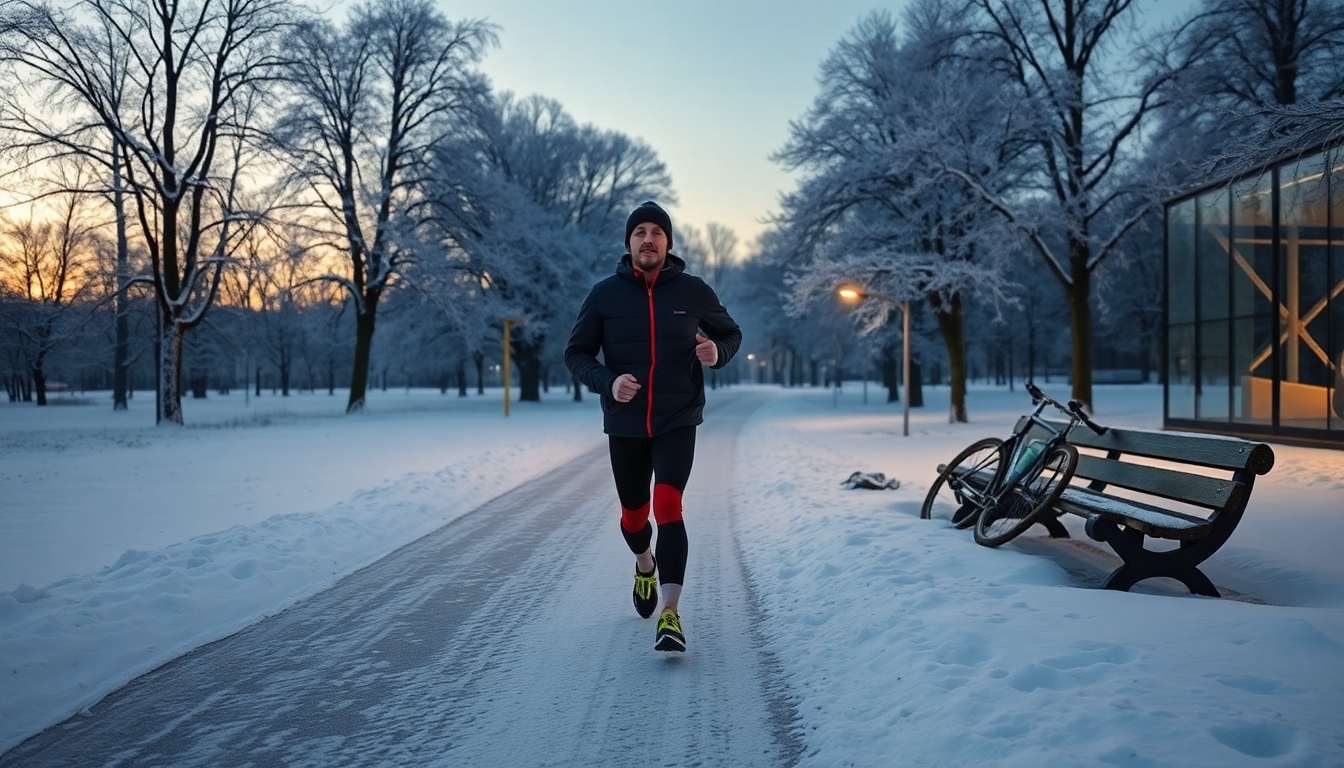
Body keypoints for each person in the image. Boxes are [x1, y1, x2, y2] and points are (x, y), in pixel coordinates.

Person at [565, 200, 742, 653]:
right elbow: (577, 353)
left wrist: (717, 353)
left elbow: (731, 334)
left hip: (677, 417)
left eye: (657, 232)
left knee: (668, 505)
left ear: (668, 242)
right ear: (628, 243)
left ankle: (671, 614)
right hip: (625, 422)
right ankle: (645, 564)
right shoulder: (604, 295)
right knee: (634, 515)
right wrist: (608, 381)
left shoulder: (694, 291)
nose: (648, 239)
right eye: (640, 232)